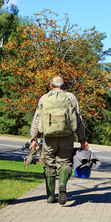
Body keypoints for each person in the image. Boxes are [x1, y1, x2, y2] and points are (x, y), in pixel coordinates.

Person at [30, 76, 88, 205]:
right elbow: (78, 119)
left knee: (49, 164)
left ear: (50, 86)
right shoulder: (70, 97)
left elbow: (37, 119)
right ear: (64, 86)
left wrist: (33, 138)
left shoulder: (44, 98)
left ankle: (50, 197)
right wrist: (82, 139)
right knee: (65, 163)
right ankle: (62, 184)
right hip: (66, 137)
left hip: (48, 137)